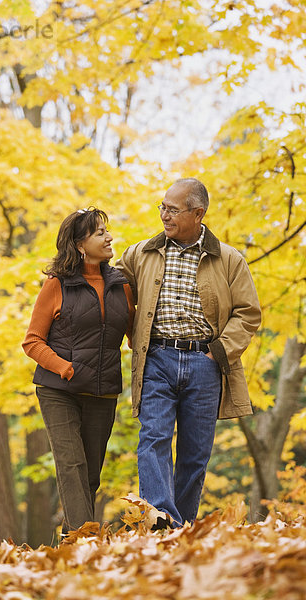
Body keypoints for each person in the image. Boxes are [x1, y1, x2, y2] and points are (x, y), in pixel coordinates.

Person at [116, 178, 261, 528]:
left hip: (205, 363)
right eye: (162, 207)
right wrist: (131, 333)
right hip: (157, 359)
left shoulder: (229, 259)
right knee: (153, 439)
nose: (164, 215)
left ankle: (180, 528)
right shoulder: (140, 253)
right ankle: (160, 521)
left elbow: (248, 312)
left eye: (173, 209)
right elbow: (114, 291)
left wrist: (219, 352)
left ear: (198, 213)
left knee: (195, 454)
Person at [23, 207, 135, 534]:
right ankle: (89, 542)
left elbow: (133, 333)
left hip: (103, 391)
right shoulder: (57, 285)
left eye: (107, 230)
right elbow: (32, 342)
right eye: (100, 232)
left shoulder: (121, 286)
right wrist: (65, 369)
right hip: (59, 390)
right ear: (80, 244)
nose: (109, 237)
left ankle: (71, 548)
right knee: (71, 466)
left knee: (90, 476)